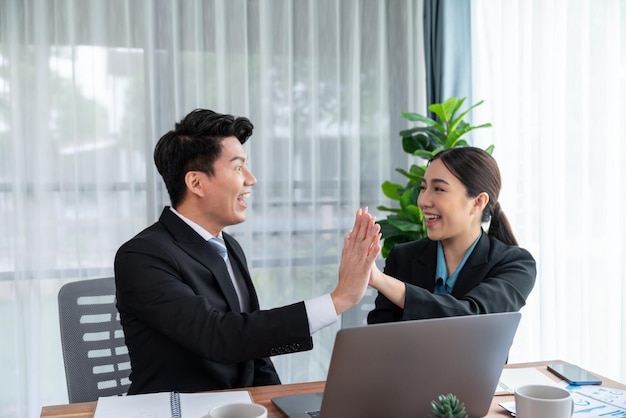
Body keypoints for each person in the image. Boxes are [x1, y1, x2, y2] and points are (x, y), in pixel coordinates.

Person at [114, 108, 380, 395]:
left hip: (239, 407)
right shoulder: (142, 256)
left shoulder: (229, 246)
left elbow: (253, 350)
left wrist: (281, 406)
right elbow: (220, 337)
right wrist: (339, 299)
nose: (251, 179)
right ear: (196, 183)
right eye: (238, 167)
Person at [367, 146, 536, 324]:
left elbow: (473, 318)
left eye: (439, 189)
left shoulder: (515, 264)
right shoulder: (403, 258)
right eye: (423, 188)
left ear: (478, 202)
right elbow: (380, 338)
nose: (422, 201)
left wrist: (380, 280)